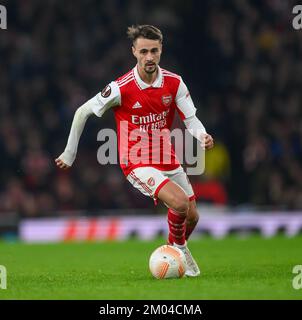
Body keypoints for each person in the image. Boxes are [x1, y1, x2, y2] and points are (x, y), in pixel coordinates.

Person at [55, 25, 214, 277]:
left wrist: (201, 135)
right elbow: (82, 111)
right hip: (137, 162)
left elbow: (191, 119)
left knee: (192, 216)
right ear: (134, 52)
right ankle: (180, 251)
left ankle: (171, 254)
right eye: (143, 52)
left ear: (161, 50)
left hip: (166, 157)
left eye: (154, 51)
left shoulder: (174, 83)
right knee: (180, 203)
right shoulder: (121, 87)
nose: (149, 57)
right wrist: (69, 153)